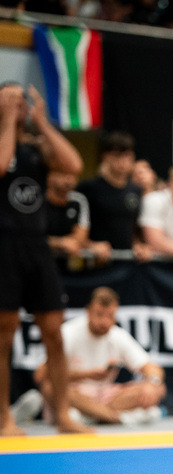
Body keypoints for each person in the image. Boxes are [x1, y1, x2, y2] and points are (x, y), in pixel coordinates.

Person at [0, 82, 90, 436]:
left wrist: (42, 121)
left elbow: (73, 164)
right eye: (11, 99)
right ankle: (4, 418)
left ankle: (63, 414)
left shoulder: (36, 147)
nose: (18, 104)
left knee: (54, 332)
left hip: (37, 246)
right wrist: (8, 120)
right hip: (4, 246)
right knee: (3, 335)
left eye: (21, 99)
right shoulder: (5, 140)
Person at [34, 287, 165, 425]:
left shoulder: (118, 335)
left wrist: (151, 383)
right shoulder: (68, 332)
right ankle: (116, 418)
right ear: (88, 312)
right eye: (100, 315)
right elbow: (41, 375)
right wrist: (86, 375)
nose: (105, 322)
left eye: (110, 316)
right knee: (50, 388)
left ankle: (91, 416)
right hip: (75, 394)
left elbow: (153, 369)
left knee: (158, 388)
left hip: (105, 397)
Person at [76, 131, 148, 260]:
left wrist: (138, 245)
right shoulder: (89, 188)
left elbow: (134, 228)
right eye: (117, 155)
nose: (122, 161)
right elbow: (74, 225)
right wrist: (90, 245)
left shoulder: (135, 190)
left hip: (126, 264)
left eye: (126, 155)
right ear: (106, 157)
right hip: (95, 262)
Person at [44, 169, 112, 268]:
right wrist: (59, 243)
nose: (69, 180)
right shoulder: (37, 200)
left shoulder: (78, 201)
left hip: (66, 268)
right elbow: (31, 238)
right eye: (64, 174)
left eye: (73, 176)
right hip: (37, 263)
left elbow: (78, 239)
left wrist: (91, 246)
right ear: (50, 176)